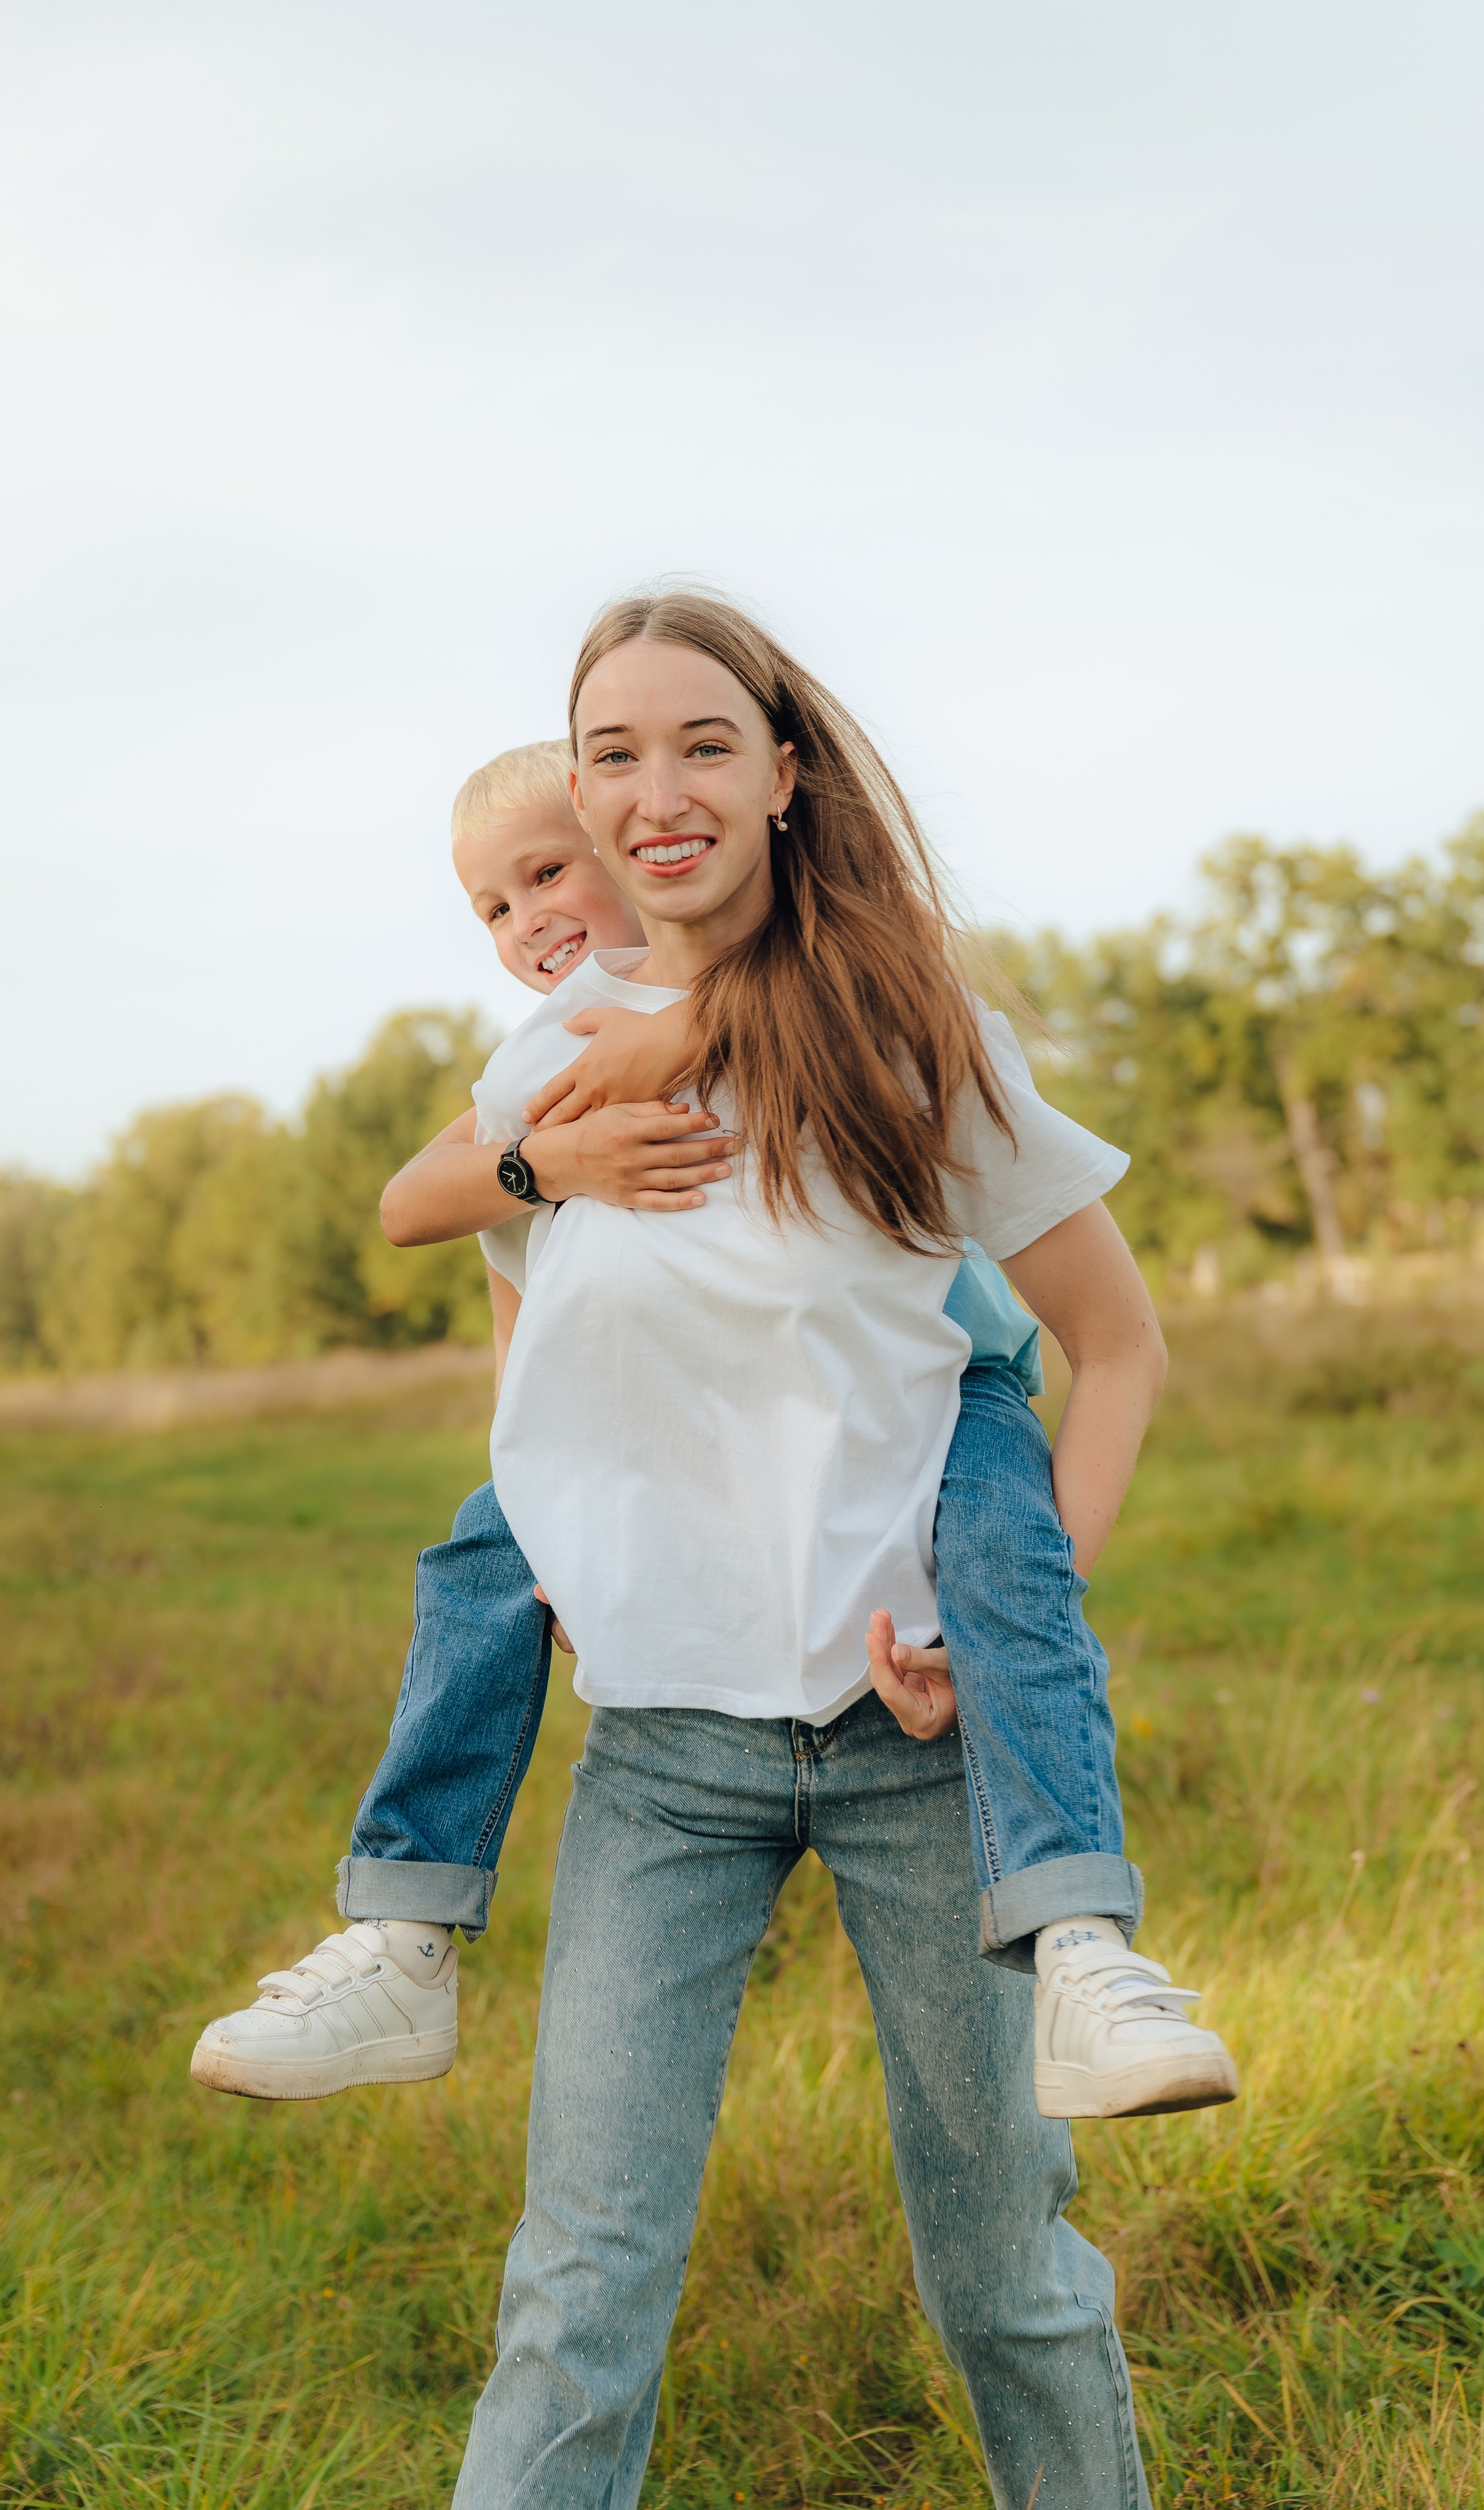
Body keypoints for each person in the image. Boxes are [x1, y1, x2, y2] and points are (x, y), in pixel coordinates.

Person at [190, 720, 1236, 2126]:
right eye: (491, 907)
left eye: (545, 873)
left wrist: (691, 1027)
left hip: (945, 1381)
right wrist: (550, 1163)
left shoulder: (833, 978)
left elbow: (859, 983)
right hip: (674, 1426)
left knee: (1010, 1562)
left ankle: (1079, 1935)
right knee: (480, 1562)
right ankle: (403, 1926)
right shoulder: (551, 1055)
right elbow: (432, 1225)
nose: (524, 920)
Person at [452, 589, 1175, 2505]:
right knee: (578, 2293)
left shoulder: (912, 1039)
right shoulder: (549, 1075)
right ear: (580, 801)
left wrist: (1008, 1635)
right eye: (613, 754)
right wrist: (557, 1548)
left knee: (1009, 2276)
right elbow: (514, 1334)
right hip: (660, 1757)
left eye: (704, 744)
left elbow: (1115, 1346)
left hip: (909, 1750)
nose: (658, 790)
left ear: (784, 775)